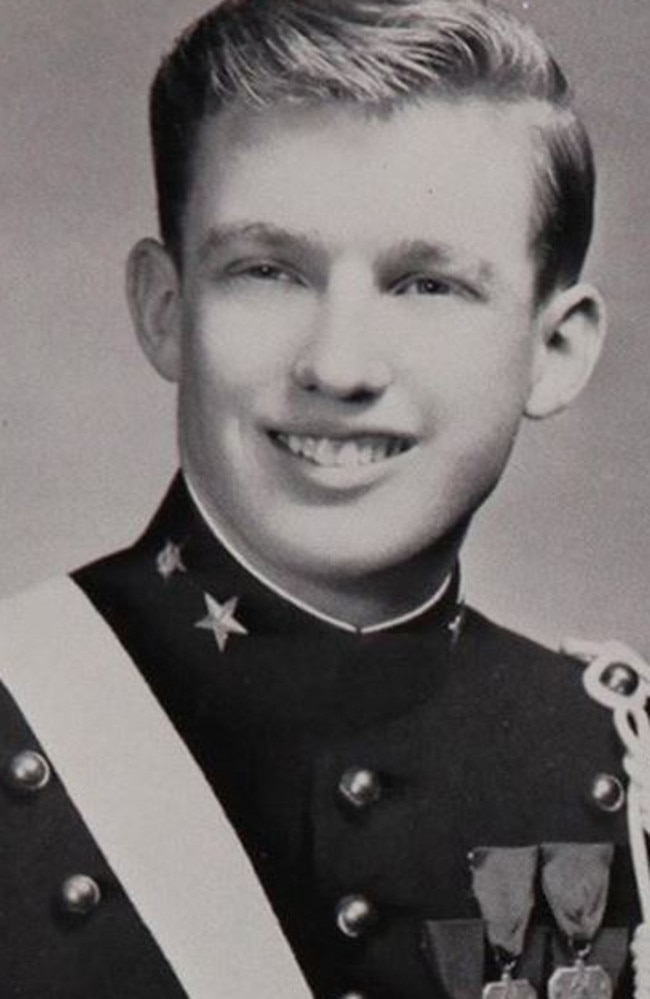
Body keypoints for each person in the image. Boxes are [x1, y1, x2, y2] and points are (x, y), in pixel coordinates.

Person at [0, 0, 648, 996]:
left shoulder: (617, 771)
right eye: (267, 272)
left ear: (552, 353)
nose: (339, 367)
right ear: (167, 312)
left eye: (427, 285)